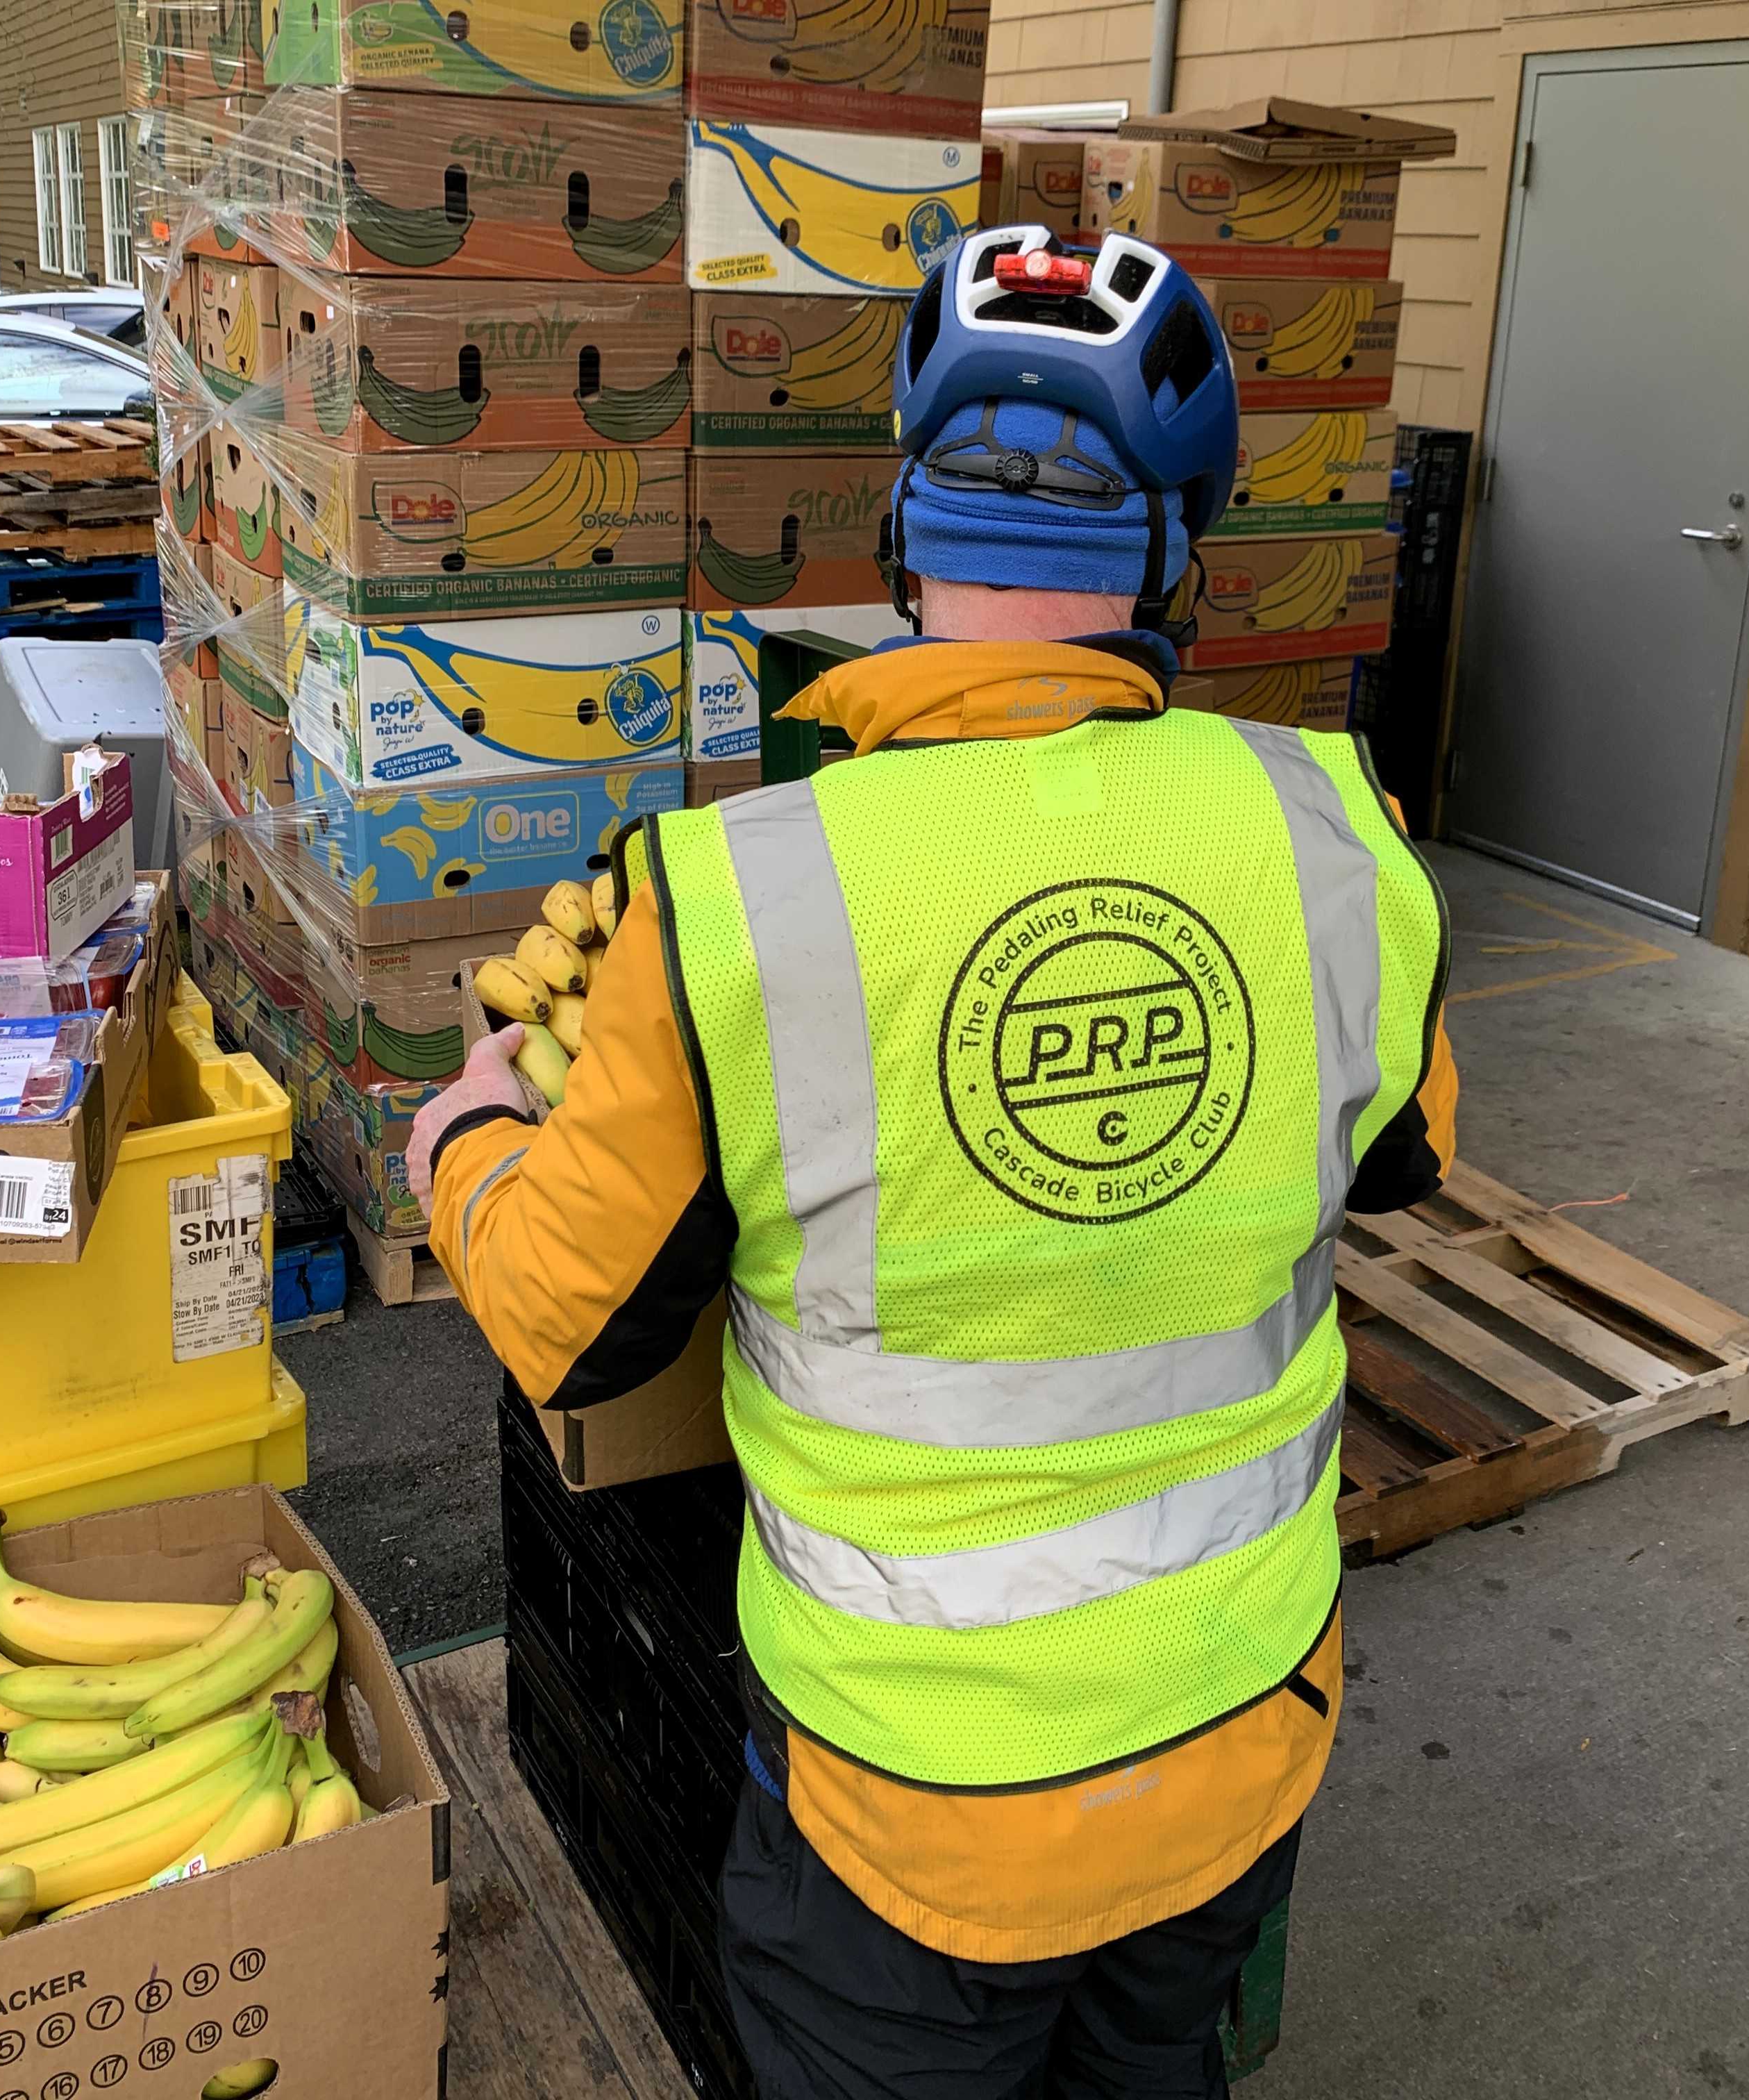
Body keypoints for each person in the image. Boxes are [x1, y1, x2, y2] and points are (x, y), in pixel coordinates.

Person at [411, 223, 1457, 2100]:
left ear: (900, 537)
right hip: (1238, 1735)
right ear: (1177, 556)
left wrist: (471, 1136)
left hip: (907, 1822)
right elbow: (1402, 1157)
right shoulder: (1334, 837)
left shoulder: (740, 900)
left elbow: (576, 1325)